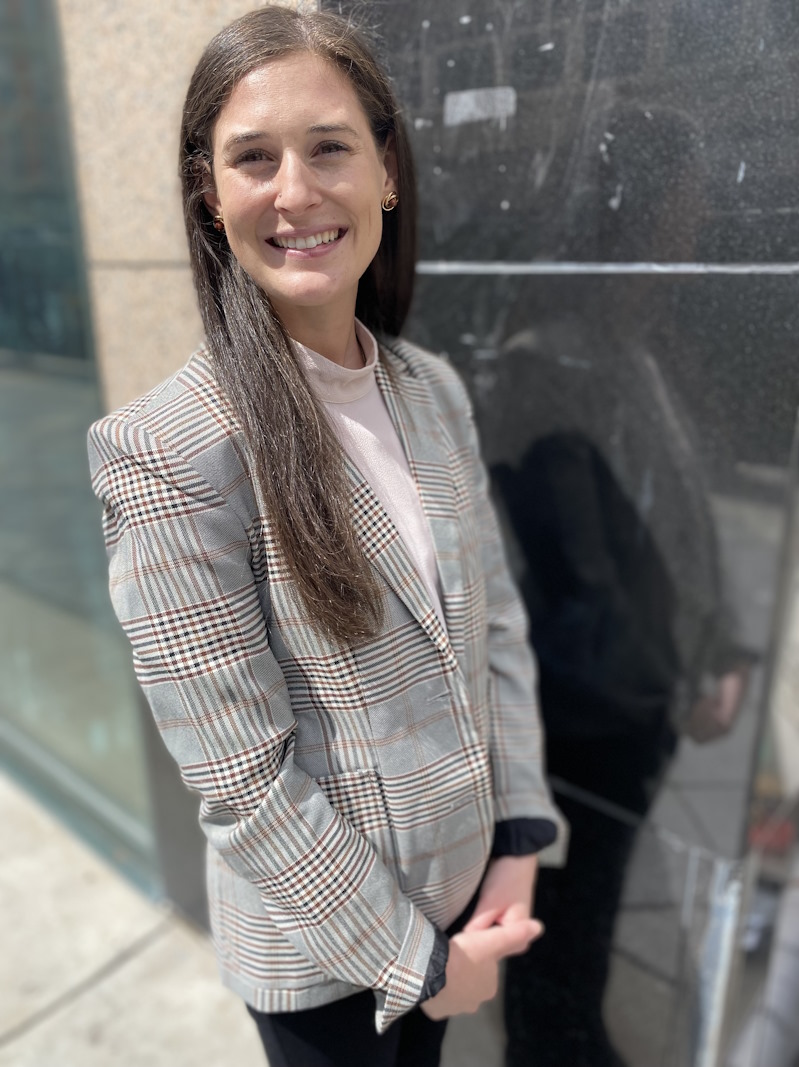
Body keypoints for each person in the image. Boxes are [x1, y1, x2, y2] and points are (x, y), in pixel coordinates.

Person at [87, 8, 561, 1066]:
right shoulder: (166, 451)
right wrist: (422, 967)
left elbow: (493, 625)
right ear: (210, 194)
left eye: (329, 147)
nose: (294, 192)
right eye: (253, 158)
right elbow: (244, 782)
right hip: (327, 964)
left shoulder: (431, 390)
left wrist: (518, 836)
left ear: (385, 171)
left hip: (465, 901)